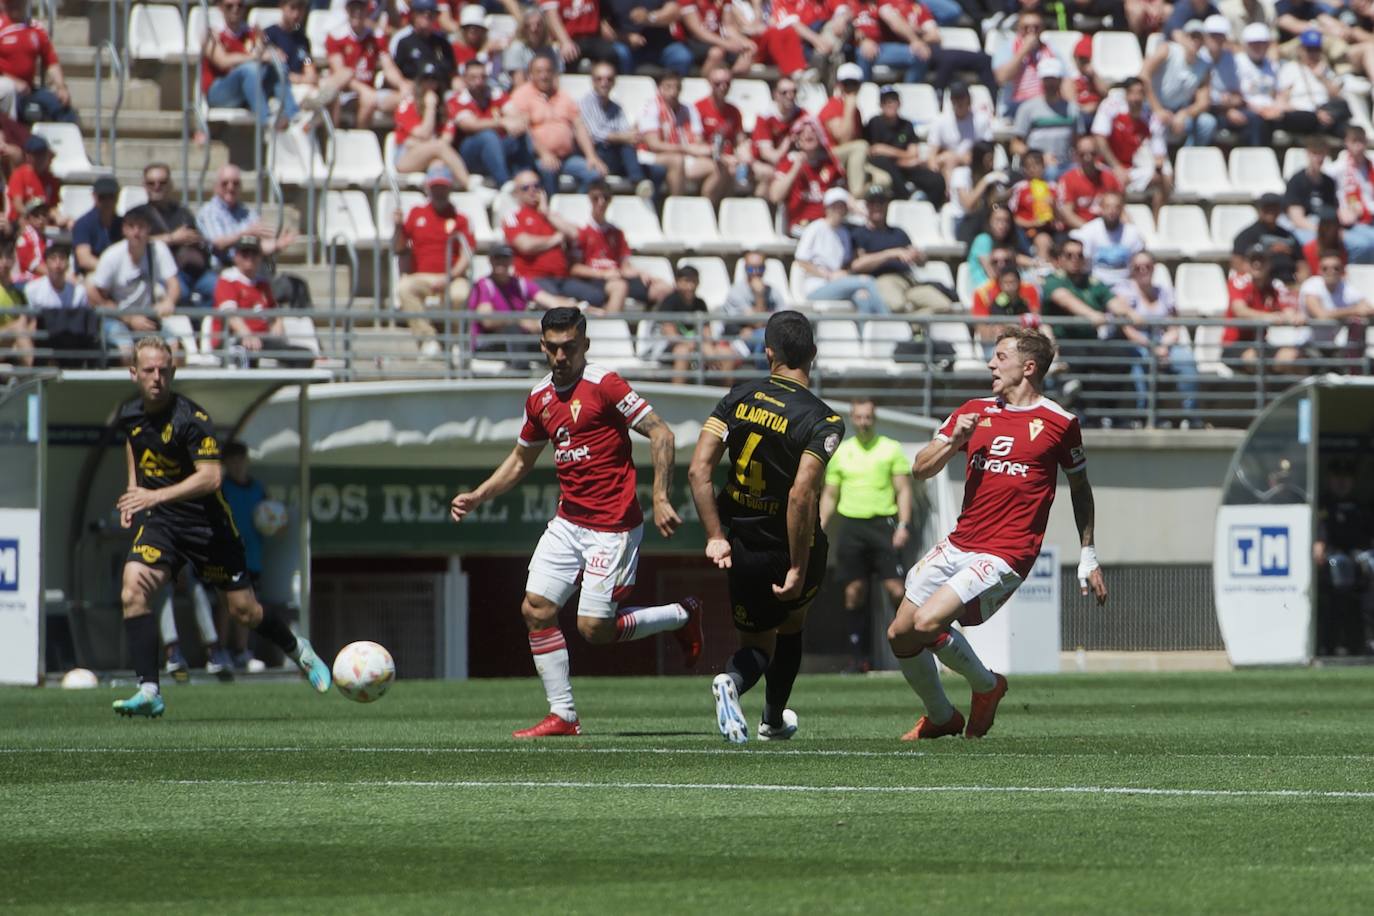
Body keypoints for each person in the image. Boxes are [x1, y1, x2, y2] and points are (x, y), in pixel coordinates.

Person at [449, 308, 703, 737]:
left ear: (585, 344)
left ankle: (682, 614)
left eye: (569, 346)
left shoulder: (606, 385)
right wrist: (479, 495)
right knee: (536, 609)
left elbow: (662, 433)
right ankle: (563, 715)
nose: (561, 355)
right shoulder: (540, 398)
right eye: (553, 347)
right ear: (542, 346)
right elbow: (519, 461)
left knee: (594, 630)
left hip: (613, 525)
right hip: (569, 523)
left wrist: (660, 497)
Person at [887, 327, 1106, 740]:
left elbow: (1080, 488)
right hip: (959, 543)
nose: (991, 364)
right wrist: (955, 441)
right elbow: (919, 468)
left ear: (1028, 367)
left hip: (1007, 553)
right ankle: (941, 715)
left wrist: (1088, 553)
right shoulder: (973, 411)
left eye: (1000, 357)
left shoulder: (1060, 423)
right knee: (899, 632)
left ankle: (987, 686)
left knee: (928, 620)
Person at [110, 337, 331, 717]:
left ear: (174, 372)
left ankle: (298, 649)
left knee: (244, 611)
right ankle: (149, 690)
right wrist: (134, 492)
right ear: (134, 374)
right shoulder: (130, 415)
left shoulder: (191, 419)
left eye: (164, 370)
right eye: (148, 371)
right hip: (164, 523)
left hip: (207, 525)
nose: (157, 378)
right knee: (133, 589)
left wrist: (152, 497)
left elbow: (211, 478)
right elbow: (133, 444)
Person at [688, 310, 845, 743]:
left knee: (756, 644)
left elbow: (699, 472)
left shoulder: (737, 397)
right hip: (788, 544)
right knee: (791, 627)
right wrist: (797, 566)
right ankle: (772, 720)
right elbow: (800, 495)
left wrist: (715, 536)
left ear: (768, 351)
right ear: (813, 354)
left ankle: (732, 683)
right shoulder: (824, 420)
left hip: (741, 543)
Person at [819, 398, 911, 673]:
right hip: (852, 527)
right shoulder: (842, 452)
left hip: (883, 525)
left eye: (868, 417)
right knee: (853, 593)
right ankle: (859, 658)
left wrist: (904, 525)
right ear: (852, 418)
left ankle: (913, 648)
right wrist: (819, 526)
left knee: (897, 590)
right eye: (859, 417)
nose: (864, 422)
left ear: (875, 417)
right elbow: (830, 494)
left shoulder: (890, 448)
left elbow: (904, 489)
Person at [395, 166, 474, 357]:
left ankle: (456, 340)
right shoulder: (416, 214)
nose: (439, 192)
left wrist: (450, 276)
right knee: (404, 288)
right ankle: (427, 338)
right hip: (422, 276)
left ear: (449, 189)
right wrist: (397, 226)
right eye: (435, 187)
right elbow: (399, 248)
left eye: (443, 187)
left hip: (452, 276)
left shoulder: (460, 218)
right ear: (428, 189)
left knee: (459, 294)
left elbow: (467, 254)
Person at [1115, 250, 1199, 423]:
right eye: (1138, 267)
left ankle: (1191, 416)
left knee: (1187, 361)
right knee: (1141, 365)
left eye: (1147, 266)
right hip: (1138, 342)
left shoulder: (1165, 292)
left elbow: (1174, 326)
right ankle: (1143, 416)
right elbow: (1127, 329)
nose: (1143, 270)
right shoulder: (1124, 291)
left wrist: (1164, 345)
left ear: (1154, 268)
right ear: (1132, 270)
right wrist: (1153, 347)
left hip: (1163, 340)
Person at [509, 53, 607, 194]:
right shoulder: (522, 95)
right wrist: (544, 154)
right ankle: (550, 210)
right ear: (530, 75)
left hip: (567, 157)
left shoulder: (564, 96)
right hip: (539, 158)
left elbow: (579, 126)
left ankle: (576, 208)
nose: (544, 75)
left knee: (595, 174)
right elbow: (525, 130)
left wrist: (591, 156)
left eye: (548, 71)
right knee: (548, 170)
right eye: (539, 71)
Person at [87, 210, 181, 358]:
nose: (136, 232)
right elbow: (93, 294)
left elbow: (173, 283)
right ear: (124, 229)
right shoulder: (112, 255)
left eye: (141, 227)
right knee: (127, 352)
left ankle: (167, 380)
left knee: (175, 350)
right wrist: (129, 318)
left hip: (148, 318)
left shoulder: (159, 249)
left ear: (149, 229)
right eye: (131, 227)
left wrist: (169, 301)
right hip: (118, 317)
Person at [211, 235, 315, 367]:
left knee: (304, 355)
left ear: (260, 257)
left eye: (254, 253)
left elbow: (273, 310)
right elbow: (230, 315)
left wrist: (277, 322)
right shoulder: (227, 279)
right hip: (233, 340)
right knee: (246, 354)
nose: (249, 258)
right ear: (236, 256)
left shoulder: (262, 283)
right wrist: (246, 334)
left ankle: (287, 386)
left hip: (261, 340)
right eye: (245, 253)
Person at [570, 181, 672, 313]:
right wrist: (603, 274)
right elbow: (574, 269)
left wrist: (641, 273)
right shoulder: (581, 231)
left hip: (618, 275)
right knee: (619, 287)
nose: (601, 202)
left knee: (664, 288)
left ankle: (654, 328)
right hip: (594, 279)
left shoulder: (617, 233)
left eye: (605, 198)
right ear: (589, 199)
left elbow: (624, 266)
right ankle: (611, 329)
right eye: (596, 198)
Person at [850, 186, 952, 313]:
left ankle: (912, 326)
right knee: (896, 306)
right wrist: (890, 254)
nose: (877, 207)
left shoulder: (898, 233)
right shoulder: (860, 234)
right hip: (882, 279)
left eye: (881, 202)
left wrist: (918, 256)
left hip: (909, 280)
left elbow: (921, 262)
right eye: (872, 203)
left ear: (887, 205)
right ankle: (909, 327)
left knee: (943, 306)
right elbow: (857, 265)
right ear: (867, 206)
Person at [201, 0, 301, 130]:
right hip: (218, 91)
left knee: (277, 67)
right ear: (220, 7)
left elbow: (304, 60)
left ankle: (293, 115)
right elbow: (223, 61)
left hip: (246, 89)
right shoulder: (213, 33)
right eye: (229, 6)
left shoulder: (251, 32)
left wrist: (272, 53)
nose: (235, 9)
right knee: (250, 69)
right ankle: (267, 121)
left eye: (240, 5)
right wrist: (257, 56)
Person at [127, 164, 217, 306]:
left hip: (194, 270)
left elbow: (196, 237)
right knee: (182, 293)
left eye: (162, 182)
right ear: (144, 185)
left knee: (219, 288)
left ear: (170, 185)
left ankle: (205, 326)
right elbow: (134, 242)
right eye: (151, 183)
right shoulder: (137, 215)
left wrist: (196, 244)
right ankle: (191, 326)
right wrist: (172, 239)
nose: (157, 187)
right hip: (164, 272)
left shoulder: (182, 212)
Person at [468, 243, 576, 362]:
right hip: (487, 343)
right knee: (513, 330)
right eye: (497, 257)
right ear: (490, 260)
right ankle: (519, 374)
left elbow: (550, 301)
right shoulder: (483, 285)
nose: (501, 261)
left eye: (505, 257)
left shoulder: (520, 283)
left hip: (518, 342)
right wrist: (519, 320)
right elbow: (487, 320)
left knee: (550, 339)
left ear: (511, 261)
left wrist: (581, 307)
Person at [219, 441, 271, 672]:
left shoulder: (259, 489)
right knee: (225, 605)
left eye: (241, 459)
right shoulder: (220, 488)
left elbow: (272, 519)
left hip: (253, 557)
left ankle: (242, 651)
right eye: (232, 460)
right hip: (226, 557)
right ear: (225, 464)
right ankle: (219, 652)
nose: (237, 465)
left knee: (249, 605)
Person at [1314, 457, 1374, 656]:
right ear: (1329, 479)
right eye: (1337, 477)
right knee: (1339, 570)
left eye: (1346, 477)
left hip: (1359, 561)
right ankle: (1330, 644)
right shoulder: (1322, 505)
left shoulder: (1360, 506)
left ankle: (1366, 640)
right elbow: (1320, 537)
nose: (1342, 482)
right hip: (1333, 561)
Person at [796, 187, 887, 313]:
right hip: (816, 286)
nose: (838, 210)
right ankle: (889, 322)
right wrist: (827, 275)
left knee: (862, 297)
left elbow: (844, 264)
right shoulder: (815, 228)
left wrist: (842, 274)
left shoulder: (843, 233)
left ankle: (867, 332)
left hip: (837, 283)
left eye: (841, 206)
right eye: (835, 206)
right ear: (827, 208)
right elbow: (801, 261)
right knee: (868, 281)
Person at [1091, 77, 1172, 219]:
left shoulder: (1149, 116)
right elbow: (1099, 138)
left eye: (1140, 93)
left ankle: (1157, 221)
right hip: (1108, 167)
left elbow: (1158, 147)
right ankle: (1121, 221)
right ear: (1126, 94)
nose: (1136, 97)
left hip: (1133, 168)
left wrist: (1158, 165)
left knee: (1165, 177)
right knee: (1115, 182)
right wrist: (1116, 167)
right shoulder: (1111, 107)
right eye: (1132, 93)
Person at [576, 62, 659, 197]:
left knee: (658, 171)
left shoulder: (616, 107)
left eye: (609, 79)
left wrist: (633, 135)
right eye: (599, 79)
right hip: (597, 154)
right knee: (626, 145)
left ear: (614, 82)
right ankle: (638, 181)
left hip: (617, 155)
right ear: (592, 81)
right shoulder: (585, 103)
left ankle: (650, 205)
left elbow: (626, 131)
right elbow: (595, 133)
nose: (604, 83)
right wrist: (623, 137)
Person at [637, 70, 720, 199]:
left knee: (719, 167)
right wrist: (686, 149)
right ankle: (678, 204)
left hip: (684, 155)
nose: (673, 92)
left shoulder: (688, 109)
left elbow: (697, 140)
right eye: (668, 87)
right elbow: (653, 145)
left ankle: (705, 207)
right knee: (676, 161)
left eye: (677, 88)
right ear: (660, 88)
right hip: (650, 156)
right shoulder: (651, 107)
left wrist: (706, 150)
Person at [197, 164, 297, 272]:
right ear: (216, 187)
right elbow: (218, 244)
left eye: (235, 183)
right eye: (225, 183)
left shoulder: (248, 213)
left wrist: (277, 245)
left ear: (240, 187)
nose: (230, 187)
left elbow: (259, 246)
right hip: (220, 269)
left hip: (246, 269)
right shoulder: (208, 212)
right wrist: (245, 233)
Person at [1223, 243, 1306, 371]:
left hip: (1262, 345)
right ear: (1246, 264)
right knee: (1255, 359)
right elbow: (1240, 310)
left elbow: (1287, 310)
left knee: (1293, 356)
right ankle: (1266, 388)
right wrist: (1269, 317)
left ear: (1269, 264)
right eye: (1253, 260)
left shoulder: (1275, 286)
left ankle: (1285, 390)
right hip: (1235, 345)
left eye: (1262, 260)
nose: (1257, 264)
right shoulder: (1238, 281)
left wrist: (1296, 317)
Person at [325, 0, 405, 128]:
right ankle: (358, 139)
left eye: (361, 7)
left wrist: (402, 84)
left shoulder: (376, 36)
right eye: (353, 7)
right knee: (368, 99)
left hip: (369, 89)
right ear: (347, 10)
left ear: (367, 10)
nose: (357, 12)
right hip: (345, 92)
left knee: (406, 100)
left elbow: (389, 68)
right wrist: (363, 90)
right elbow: (340, 73)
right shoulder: (336, 36)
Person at [650, 264, 735, 383]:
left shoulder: (700, 303)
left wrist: (709, 348)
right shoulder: (669, 302)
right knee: (683, 352)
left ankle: (726, 397)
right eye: (686, 281)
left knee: (727, 353)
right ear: (677, 282)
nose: (690, 286)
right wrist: (698, 345)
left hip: (696, 345)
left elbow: (707, 333)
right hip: (667, 348)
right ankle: (678, 394)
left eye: (693, 282)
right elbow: (671, 336)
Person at [864, 87, 946, 205]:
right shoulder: (874, 123)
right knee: (882, 161)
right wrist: (902, 156)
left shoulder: (906, 125)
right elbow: (873, 151)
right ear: (880, 105)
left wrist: (888, 150)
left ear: (899, 103)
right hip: (885, 167)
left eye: (893, 100)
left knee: (937, 180)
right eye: (886, 101)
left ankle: (931, 209)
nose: (890, 104)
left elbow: (913, 154)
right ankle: (905, 196)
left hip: (905, 167)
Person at [393, 62, 473, 181]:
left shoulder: (446, 109)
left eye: (434, 79)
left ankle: (436, 198)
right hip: (406, 157)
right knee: (438, 148)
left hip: (432, 154)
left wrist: (417, 143)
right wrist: (430, 107)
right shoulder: (407, 106)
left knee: (438, 163)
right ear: (419, 82)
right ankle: (469, 184)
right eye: (426, 79)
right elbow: (425, 134)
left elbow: (447, 139)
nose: (430, 84)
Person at [1141, 18, 1216, 147]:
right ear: (1184, 37)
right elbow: (1143, 75)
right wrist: (1158, 109)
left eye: (1199, 38)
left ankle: (1189, 158)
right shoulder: (1167, 50)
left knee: (1207, 123)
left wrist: (1184, 113)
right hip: (1152, 107)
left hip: (1177, 110)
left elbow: (1203, 102)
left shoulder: (1204, 66)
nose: (1195, 41)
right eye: (1192, 36)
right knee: (1158, 123)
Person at [0, 0, 76, 124]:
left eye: (17, 2)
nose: (14, 5)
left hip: (30, 89)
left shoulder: (36, 28)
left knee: (61, 107)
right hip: (7, 90)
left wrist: (61, 87)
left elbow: (51, 61)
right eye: (10, 3)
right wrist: (13, 82)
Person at [769, 120, 844, 237]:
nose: (808, 134)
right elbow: (775, 196)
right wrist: (796, 168)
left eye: (813, 131)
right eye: (802, 132)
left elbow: (841, 194)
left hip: (827, 223)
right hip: (801, 224)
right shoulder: (788, 163)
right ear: (797, 139)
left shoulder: (830, 164)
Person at [1011, 58, 1080, 180]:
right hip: (1039, 168)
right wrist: (1040, 157)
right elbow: (1015, 145)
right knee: (1051, 173)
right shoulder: (1028, 108)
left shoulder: (1072, 109)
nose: (1050, 83)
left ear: (1060, 80)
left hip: (1066, 164)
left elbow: (1077, 142)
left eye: (1053, 79)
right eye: (1047, 79)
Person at [1297, 249, 1372, 359]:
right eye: (1325, 268)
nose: (1331, 271)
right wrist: (1354, 310)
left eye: (1336, 268)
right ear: (1319, 270)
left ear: (1342, 271)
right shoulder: (1312, 285)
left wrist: (1363, 310)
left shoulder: (1346, 287)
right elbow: (1321, 315)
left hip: (1333, 348)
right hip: (1306, 347)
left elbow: (1367, 307)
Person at [819, 63, 877, 199]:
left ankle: (862, 197)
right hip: (829, 155)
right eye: (847, 84)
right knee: (860, 146)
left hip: (849, 158)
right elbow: (843, 139)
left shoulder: (856, 111)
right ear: (839, 85)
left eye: (854, 84)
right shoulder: (832, 105)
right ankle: (856, 194)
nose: (850, 89)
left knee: (883, 180)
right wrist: (849, 106)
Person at [970, 251, 1042, 354]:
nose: (1001, 265)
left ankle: (1053, 364)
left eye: (1007, 261)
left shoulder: (1029, 290)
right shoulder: (983, 292)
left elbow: (1035, 317)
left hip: (1025, 337)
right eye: (995, 262)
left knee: (1045, 329)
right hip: (1000, 339)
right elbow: (984, 329)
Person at [1072, 190, 1144, 288]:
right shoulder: (1089, 230)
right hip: (1096, 285)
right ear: (1101, 208)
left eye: (1116, 207)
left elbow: (1140, 259)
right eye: (1108, 207)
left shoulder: (1132, 232)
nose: (1112, 211)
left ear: (1122, 209)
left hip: (1126, 285)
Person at [722, 250, 784, 360]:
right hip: (740, 340)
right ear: (745, 269)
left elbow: (783, 318)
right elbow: (758, 322)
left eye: (760, 268)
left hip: (765, 335)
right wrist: (759, 295)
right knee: (765, 336)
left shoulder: (773, 291)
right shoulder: (736, 292)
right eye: (751, 269)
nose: (755, 273)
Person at [1056, 133, 1124, 230]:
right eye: (1082, 154)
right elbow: (1067, 214)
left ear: (1098, 154)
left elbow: (1121, 209)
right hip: (1078, 231)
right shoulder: (1067, 179)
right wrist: (1091, 231)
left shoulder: (1110, 177)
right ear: (1076, 155)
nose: (1087, 158)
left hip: (1109, 229)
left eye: (1092, 153)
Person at [929, 81, 994, 179]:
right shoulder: (940, 121)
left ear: (969, 99)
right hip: (946, 164)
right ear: (951, 100)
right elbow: (932, 153)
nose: (958, 102)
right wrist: (935, 167)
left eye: (961, 98)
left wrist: (968, 157)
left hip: (974, 164)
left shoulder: (981, 119)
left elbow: (988, 149)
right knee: (949, 159)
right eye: (955, 99)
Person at [1232, 192, 1302, 281]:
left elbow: (1302, 264)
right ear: (1259, 209)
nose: (1271, 210)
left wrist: (1300, 282)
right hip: (1261, 286)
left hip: (1289, 285)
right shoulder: (1246, 236)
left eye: (1274, 207)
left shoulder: (1289, 235)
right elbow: (1237, 264)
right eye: (1267, 207)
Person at [750, 77, 804, 192]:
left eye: (794, 92)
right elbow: (770, 156)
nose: (790, 96)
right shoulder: (765, 117)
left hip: (789, 163)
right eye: (784, 92)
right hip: (764, 164)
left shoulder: (803, 115)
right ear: (776, 95)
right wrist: (787, 143)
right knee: (769, 175)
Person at [1284, 137, 1337, 246]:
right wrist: (1320, 230)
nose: (1319, 158)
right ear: (1308, 154)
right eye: (1315, 153)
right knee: (1312, 243)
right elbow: (1297, 219)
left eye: (1321, 154)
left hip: (1323, 224)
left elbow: (1332, 212)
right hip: (1304, 226)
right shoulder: (1296, 181)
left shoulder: (1329, 182)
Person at [393, 0, 457, 88]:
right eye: (421, 12)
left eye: (431, 13)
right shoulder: (404, 42)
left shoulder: (443, 43)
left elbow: (452, 72)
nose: (427, 15)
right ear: (413, 15)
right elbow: (398, 72)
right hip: (414, 90)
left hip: (440, 90)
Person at [72, 176, 121, 276]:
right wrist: (112, 270)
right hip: (91, 274)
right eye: (102, 197)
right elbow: (84, 260)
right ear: (94, 196)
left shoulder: (123, 224)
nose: (107, 202)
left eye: (111, 196)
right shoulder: (83, 224)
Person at [7, 134, 58, 218]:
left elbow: (52, 207)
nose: (41, 159)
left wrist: (57, 216)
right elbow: (18, 205)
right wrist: (32, 217)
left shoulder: (51, 180)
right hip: (21, 223)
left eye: (43, 154)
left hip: (42, 223)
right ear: (28, 156)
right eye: (37, 155)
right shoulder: (19, 175)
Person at [23, 242, 86, 311]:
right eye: (53, 258)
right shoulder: (32, 289)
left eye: (62, 258)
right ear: (46, 263)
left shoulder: (78, 292)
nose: (57, 263)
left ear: (68, 263)